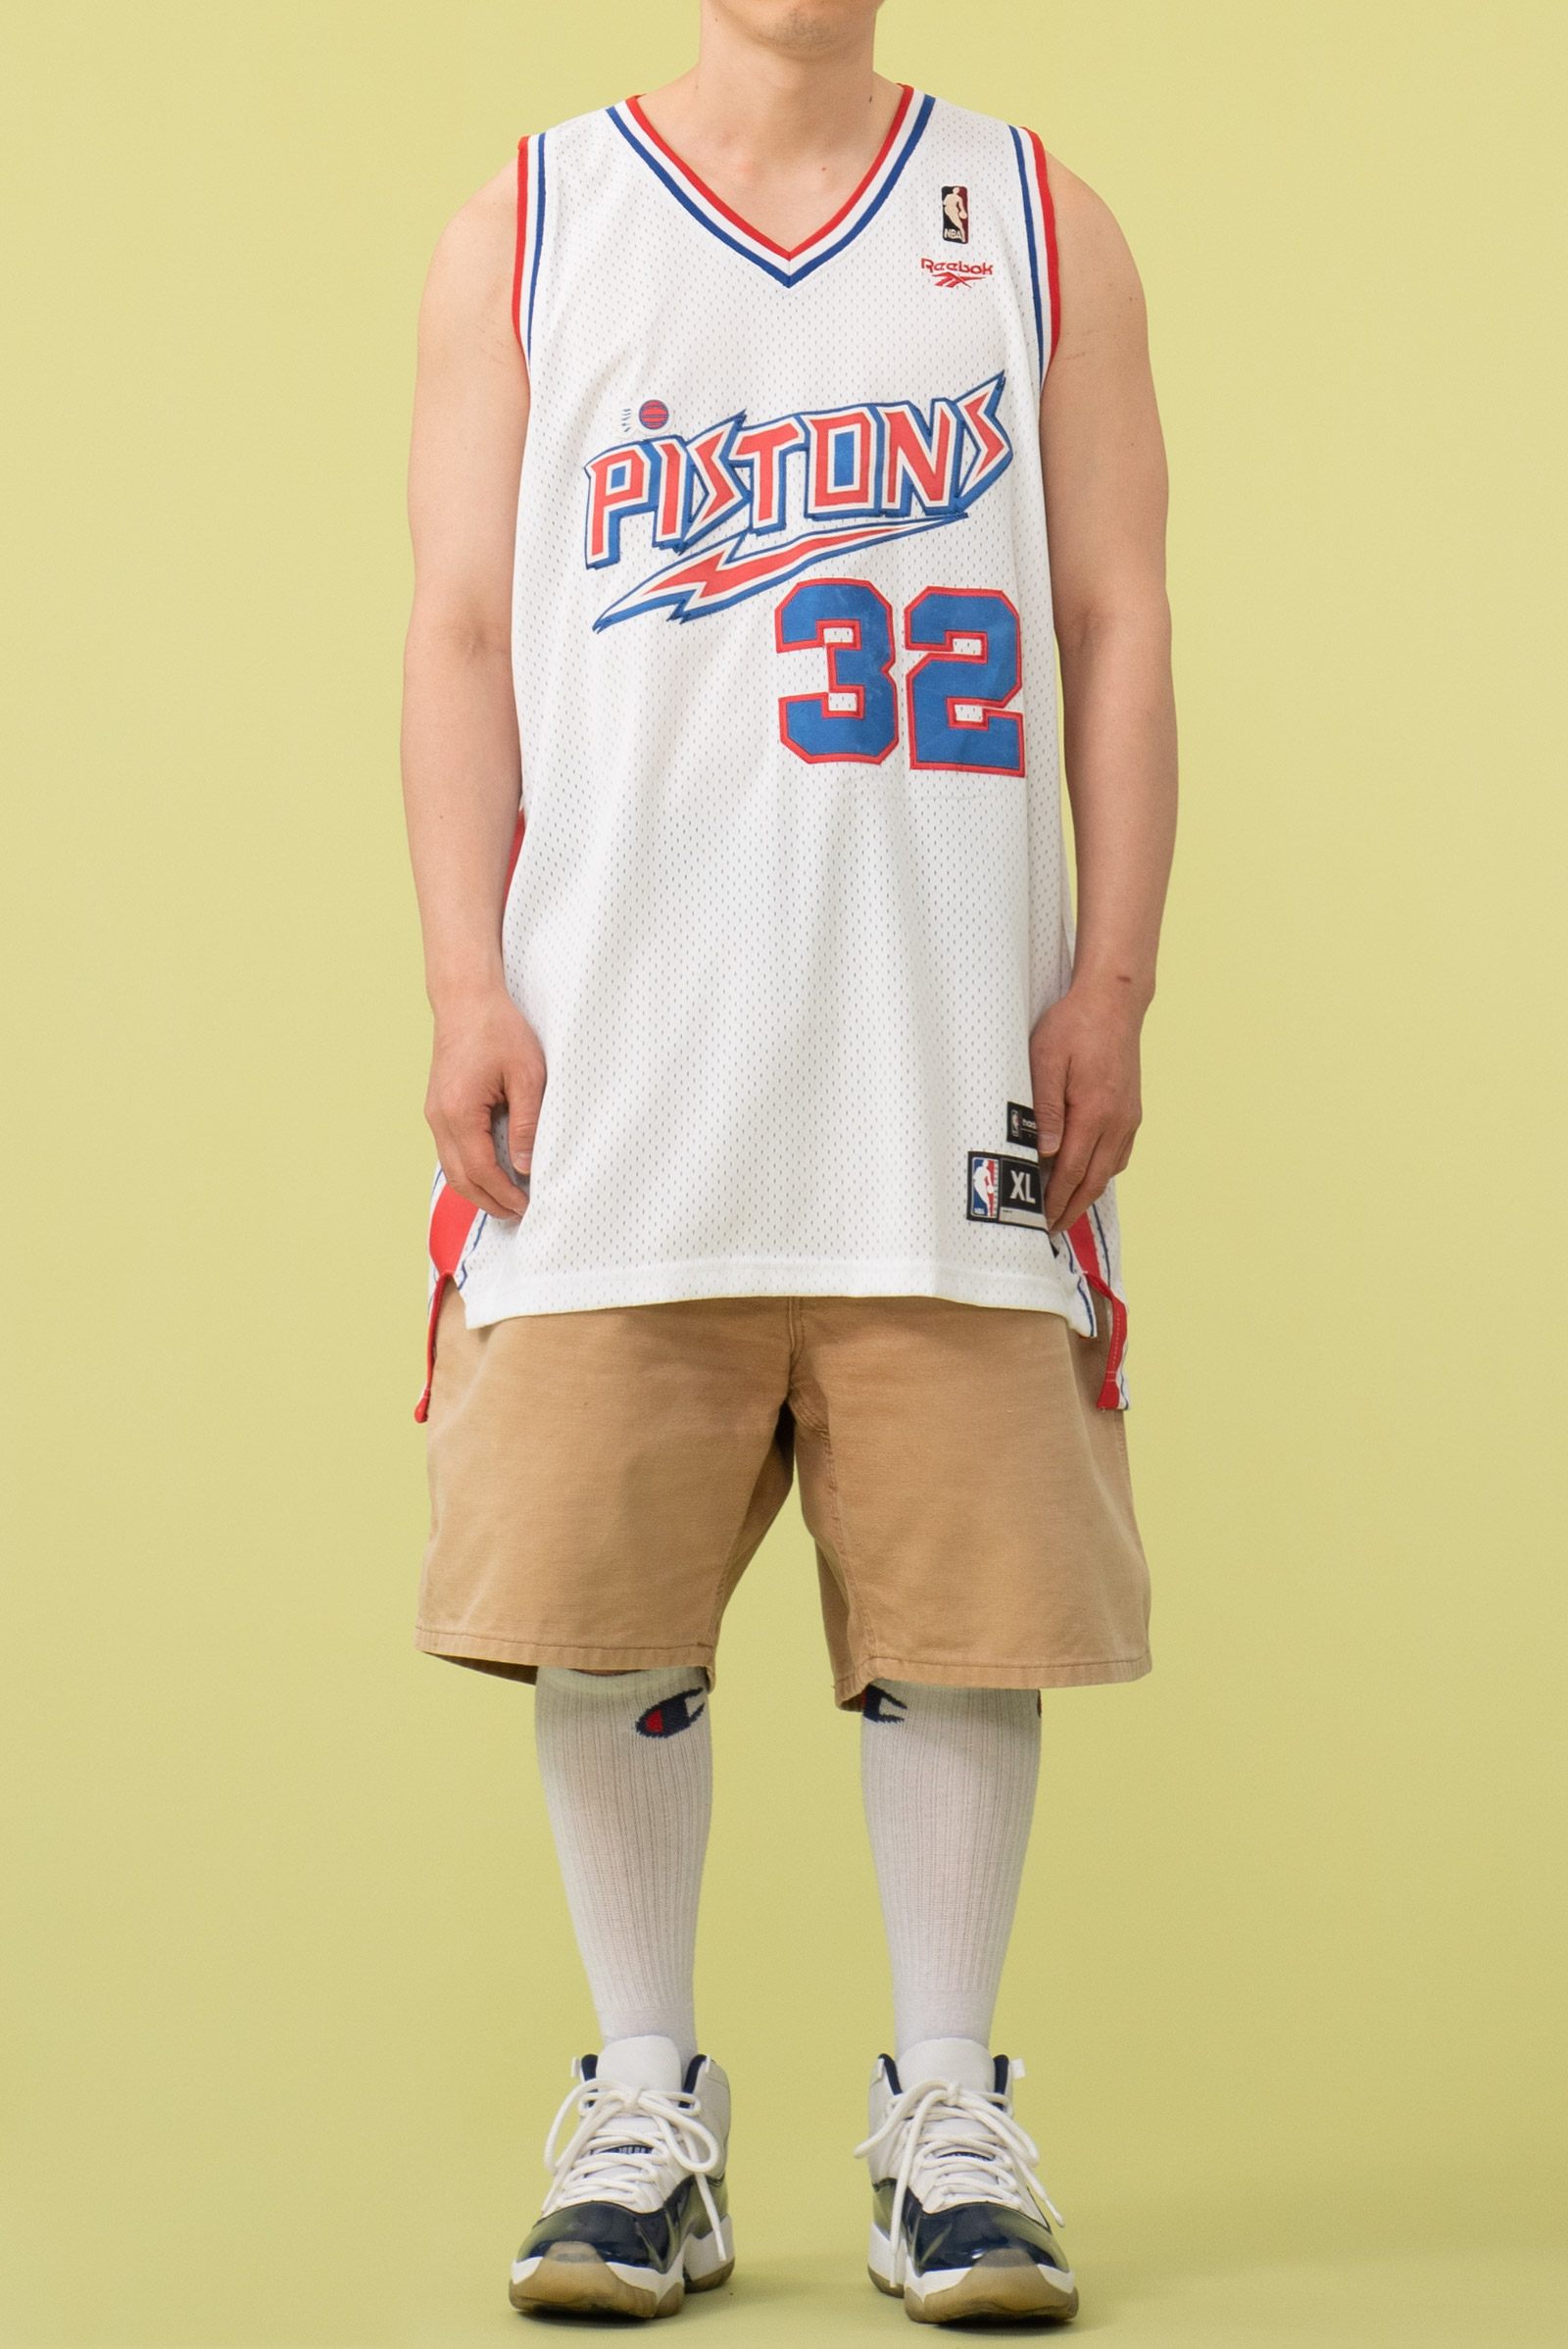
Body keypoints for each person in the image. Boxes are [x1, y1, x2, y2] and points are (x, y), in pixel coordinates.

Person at [401, 0, 1175, 2324]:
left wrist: (1112, 977)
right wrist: (463, 979)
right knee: (602, 1591)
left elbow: (1116, 618)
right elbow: (457, 629)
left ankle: (948, 2111)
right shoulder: (532, 220)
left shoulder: (1031, 219)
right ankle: (643, 2103)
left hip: (938, 1047)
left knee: (965, 1600)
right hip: (621, 1061)